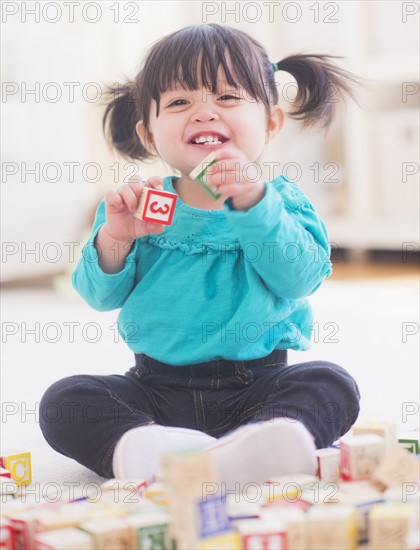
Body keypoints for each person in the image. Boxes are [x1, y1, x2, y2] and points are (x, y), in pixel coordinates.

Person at [40, 23, 361, 486]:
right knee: (65, 401)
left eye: (228, 97)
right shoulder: (135, 205)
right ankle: (151, 447)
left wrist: (254, 208)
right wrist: (118, 236)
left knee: (331, 384)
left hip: (260, 387)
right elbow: (99, 295)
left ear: (271, 122)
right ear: (148, 134)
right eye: (178, 102)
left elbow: (299, 279)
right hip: (155, 392)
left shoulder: (283, 202)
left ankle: (261, 444)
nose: (204, 112)